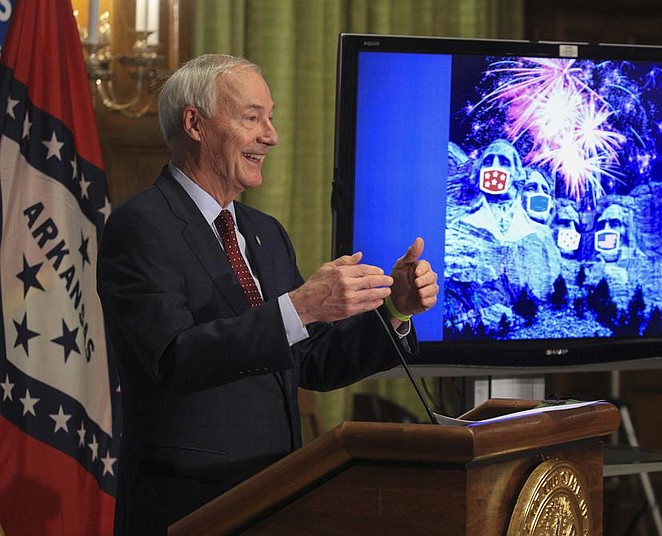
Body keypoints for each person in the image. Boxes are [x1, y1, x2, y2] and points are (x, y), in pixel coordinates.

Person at [96, 54, 438, 535]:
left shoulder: (264, 232)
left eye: (270, 118)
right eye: (252, 118)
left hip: (276, 494)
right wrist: (299, 307)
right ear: (195, 123)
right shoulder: (141, 225)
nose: (271, 135)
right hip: (189, 504)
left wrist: (396, 311)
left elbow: (309, 362)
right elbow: (172, 357)